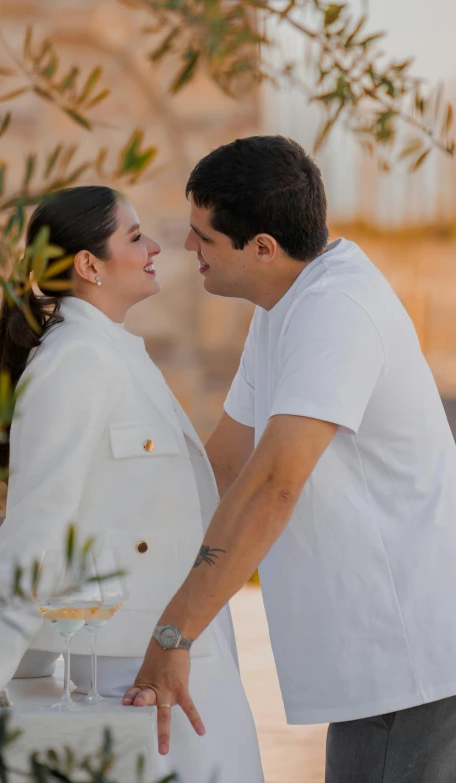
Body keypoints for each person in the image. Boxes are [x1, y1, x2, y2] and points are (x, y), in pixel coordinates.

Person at [122, 136, 456, 783]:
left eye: (203, 237)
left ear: (263, 248)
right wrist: (128, 557)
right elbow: (223, 465)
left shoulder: (337, 310)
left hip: (412, 657)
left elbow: (273, 483)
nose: (186, 248)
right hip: (373, 663)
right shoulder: (283, 308)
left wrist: (174, 634)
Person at [0, 186, 264, 783]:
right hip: (135, 668)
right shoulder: (76, 361)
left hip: (178, 647)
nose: (155, 247)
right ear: (88, 265)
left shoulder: (113, 352)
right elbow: (38, 522)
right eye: (134, 237)